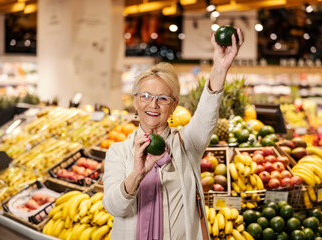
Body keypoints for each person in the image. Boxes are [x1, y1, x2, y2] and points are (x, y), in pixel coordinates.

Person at [102, 29, 244, 240]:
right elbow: (114, 207)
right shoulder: (119, 151)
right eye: (146, 96)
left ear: (174, 105)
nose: (153, 104)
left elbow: (207, 113)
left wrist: (220, 68)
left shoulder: (188, 144)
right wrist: (136, 175)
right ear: (135, 101)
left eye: (162, 99)